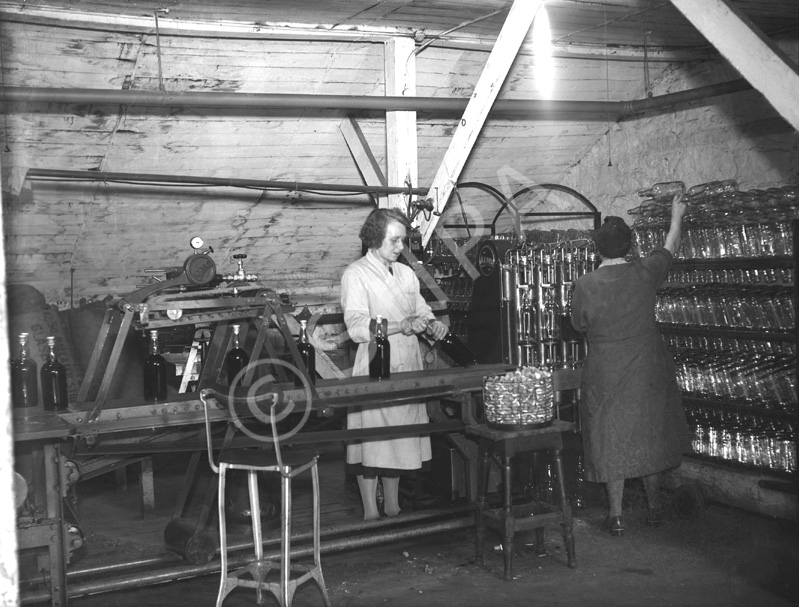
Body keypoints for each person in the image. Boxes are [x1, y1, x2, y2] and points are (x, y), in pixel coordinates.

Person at [570, 193, 691, 536]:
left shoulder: (585, 284)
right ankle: (654, 507)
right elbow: (670, 246)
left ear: (597, 249)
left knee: (611, 436)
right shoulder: (645, 271)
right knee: (649, 433)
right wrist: (676, 215)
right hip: (646, 366)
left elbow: (579, 325)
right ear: (630, 245)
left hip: (606, 368)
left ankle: (616, 514)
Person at [341, 207, 448, 520]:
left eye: (403, 240)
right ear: (375, 239)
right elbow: (357, 327)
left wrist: (432, 325)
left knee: (399, 438)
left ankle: (393, 506)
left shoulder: (405, 273)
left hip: (408, 362)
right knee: (373, 440)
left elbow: (422, 311)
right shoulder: (356, 274)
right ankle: (371, 513)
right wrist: (400, 326)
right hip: (376, 361)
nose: (401, 247)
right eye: (395, 240)